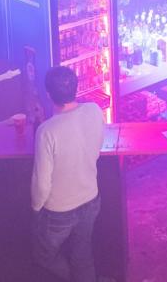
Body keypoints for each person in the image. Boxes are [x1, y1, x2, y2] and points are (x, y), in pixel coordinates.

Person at [31, 66, 106, 282]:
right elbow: (94, 147)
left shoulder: (46, 131)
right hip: (90, 199)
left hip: (59, 210)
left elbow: (42, 183)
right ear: (76, 88)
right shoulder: (94, 110)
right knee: (82, 255)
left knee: (43, 255)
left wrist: (36, 207)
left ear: (48, 95)